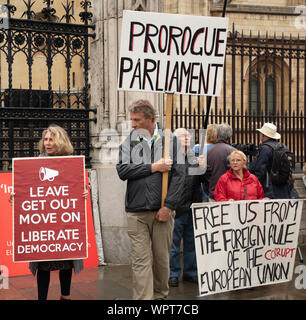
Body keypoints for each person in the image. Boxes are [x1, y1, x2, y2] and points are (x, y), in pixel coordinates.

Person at [10, 125, 87, 300]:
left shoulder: (71, 163)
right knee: (43, 263)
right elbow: (27, 190)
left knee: (67, 262)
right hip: (45, 226)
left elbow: (75, 190)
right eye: (45, 139)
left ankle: (65, 296)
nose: (47, 143)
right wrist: (16, 196)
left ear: (60, 141)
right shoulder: (35, 163)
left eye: (51, 139)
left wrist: (83, 193)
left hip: (63, 223)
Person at [116, 99, 184, 300]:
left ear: (150, 119)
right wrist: (153, 167)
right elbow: (122, 170)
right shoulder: (130, 140)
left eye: (136, 120)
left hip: (162, 211)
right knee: (141, 261)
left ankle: (160, 296)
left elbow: (180, 176)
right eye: (132, 120)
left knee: (162, 260)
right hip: (136, 212)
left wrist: (169, 206)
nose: (133, 124)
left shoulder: (170, 141)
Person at [168, 128, 207, 287]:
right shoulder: (171, 157)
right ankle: (173, 273)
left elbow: (204, 179)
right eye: (182, 136)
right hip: (176, 207)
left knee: (191, 243)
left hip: (193, 205)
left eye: (187, 136)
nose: (186, 138)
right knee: (174, 245)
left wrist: (203, 167)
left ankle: (191, 272)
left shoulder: (193, 156)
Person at [251, 123, 290, 199]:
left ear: (263, 135)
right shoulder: (282, 146)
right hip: (283, 188)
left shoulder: (265, 148)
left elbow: (260, 170)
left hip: (269, 189)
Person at [206, 123, 236, 201]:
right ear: (230, 137)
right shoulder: (233, 152)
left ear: (217, 135)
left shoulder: (208, 152)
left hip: (213, 193)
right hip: (230, 195)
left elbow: (205, 176)